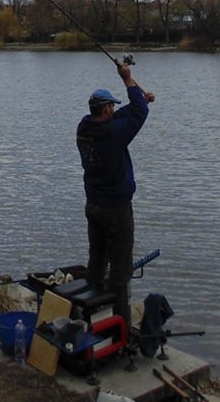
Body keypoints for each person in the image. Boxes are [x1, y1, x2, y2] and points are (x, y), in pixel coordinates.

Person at [75, 61, 155, 328]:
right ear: (107, 109)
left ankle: (88, 318)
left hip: (93, 205)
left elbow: (127, 116)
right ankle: (122, 332)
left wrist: (138, 101)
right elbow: (135, 116)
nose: (114, 110)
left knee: (96, 262)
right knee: (121, 272)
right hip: (116, 210)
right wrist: (128, 79)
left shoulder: (84, 128)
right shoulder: (113, 135)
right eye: (112, 106)